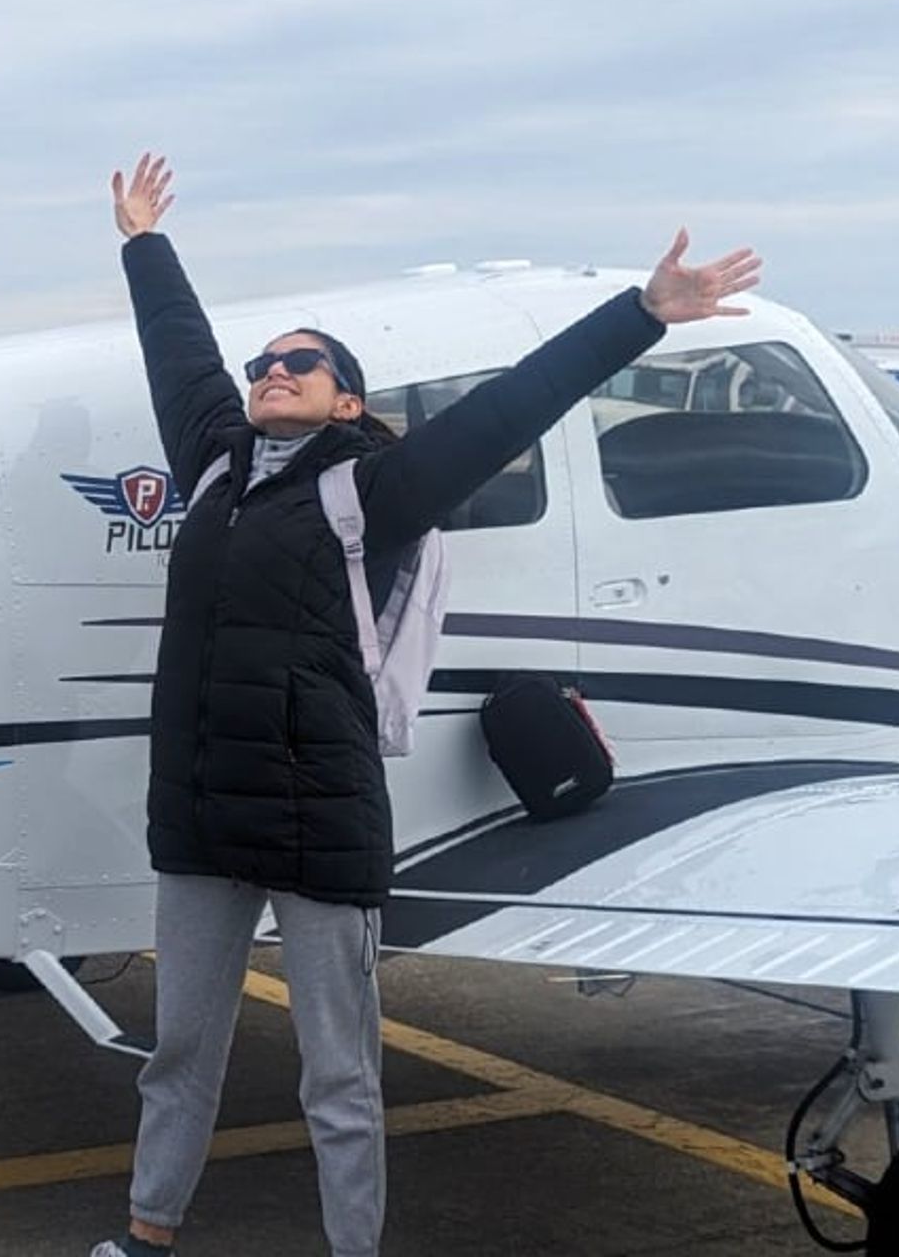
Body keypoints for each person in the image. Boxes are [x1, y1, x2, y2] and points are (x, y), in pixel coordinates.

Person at [90, 153, 761, 1257]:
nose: (272, 370)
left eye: (300, 363)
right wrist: (143, 242)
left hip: (321, 827)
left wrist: (639, 315)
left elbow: (507, 410)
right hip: (203, 821)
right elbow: (176, 350)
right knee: (179, 1053)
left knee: (338, 1077)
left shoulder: (373, 488)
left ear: (346, 399)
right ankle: (147, 1234)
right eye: (264, 362)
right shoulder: (217, 466)